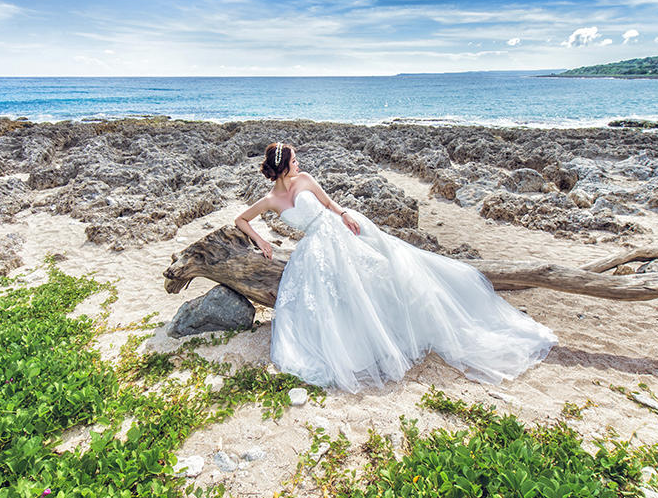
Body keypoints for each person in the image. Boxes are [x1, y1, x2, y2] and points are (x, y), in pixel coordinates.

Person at [235, 142, 557, 393]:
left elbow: (329, 203)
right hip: (312, 248)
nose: (298, 162)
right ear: (284, 165)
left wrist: (345, 213)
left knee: (381, 271)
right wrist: (262, 242)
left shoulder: (304, 180)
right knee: (329, 298)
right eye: (294, 159)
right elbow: (240, 220)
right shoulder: (268, 200)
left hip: (336, 229)